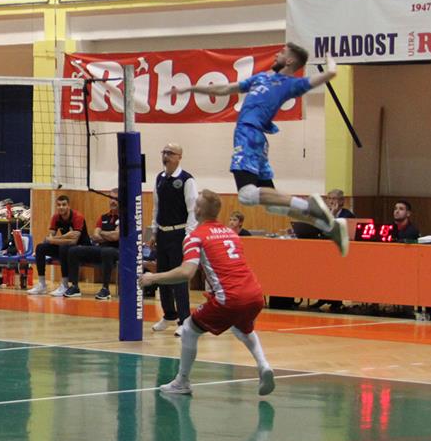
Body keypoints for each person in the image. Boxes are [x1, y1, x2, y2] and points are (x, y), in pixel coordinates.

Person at [175, 44, 348, 255]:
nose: (277, 54)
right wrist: (192, 89)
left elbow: (327, 75)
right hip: (257, 139)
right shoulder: (261, 78)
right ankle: (329, 226)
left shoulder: (291, 84)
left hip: (249, 134)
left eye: (282, 53)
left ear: (290, 61)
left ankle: (308, 206)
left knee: (246, 195)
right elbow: (225, 89)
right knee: (274, 206)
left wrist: (330, 61)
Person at [138, 189, 276, 397]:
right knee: (243, 328)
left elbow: (186, 272)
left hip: (229, 297)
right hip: (255, 294)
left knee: (188, 329)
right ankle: (264, 365)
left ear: (197, 210)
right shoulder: (231, 234)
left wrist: (153, 278)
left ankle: (182, 382)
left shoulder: (195, 237)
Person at [149, 143, 197, 335]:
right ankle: (169, 314)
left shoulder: (187, 180)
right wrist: (153, 232)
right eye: (164, 152)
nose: (166, 156)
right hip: (162, 233)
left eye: (170, 153)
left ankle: (184, 320)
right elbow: (156, 207)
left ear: (179, 157)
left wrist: (188, 237)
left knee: (178, 278)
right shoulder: (159, 178)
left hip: (179, 234)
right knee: (162, 276)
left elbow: (193, 210)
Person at [27, 194, 90, 296]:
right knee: (40, 248)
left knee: (63, 248)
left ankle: (64, 285)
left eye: (64, 205)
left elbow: (73, 241)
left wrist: (54, 240)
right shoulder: (56, 217)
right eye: (59, 205)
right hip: (66, 246)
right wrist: (60, 238)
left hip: (82, 247)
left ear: (68, 206)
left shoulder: (78, 217)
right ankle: (42, 284)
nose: (61, 207)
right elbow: (50, 237)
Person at [64, 195, 119, 300]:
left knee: (107, 252)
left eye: (116, 199)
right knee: (73, 250)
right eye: (111, 198)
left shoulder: (124, 218)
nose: (113, 201)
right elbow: (95, 236)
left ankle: (105, 289)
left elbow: (116, 236)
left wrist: (103, 233)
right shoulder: (103, 217)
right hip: (101, 249)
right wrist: (109, 235)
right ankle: (74, 286)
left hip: (118, 251)